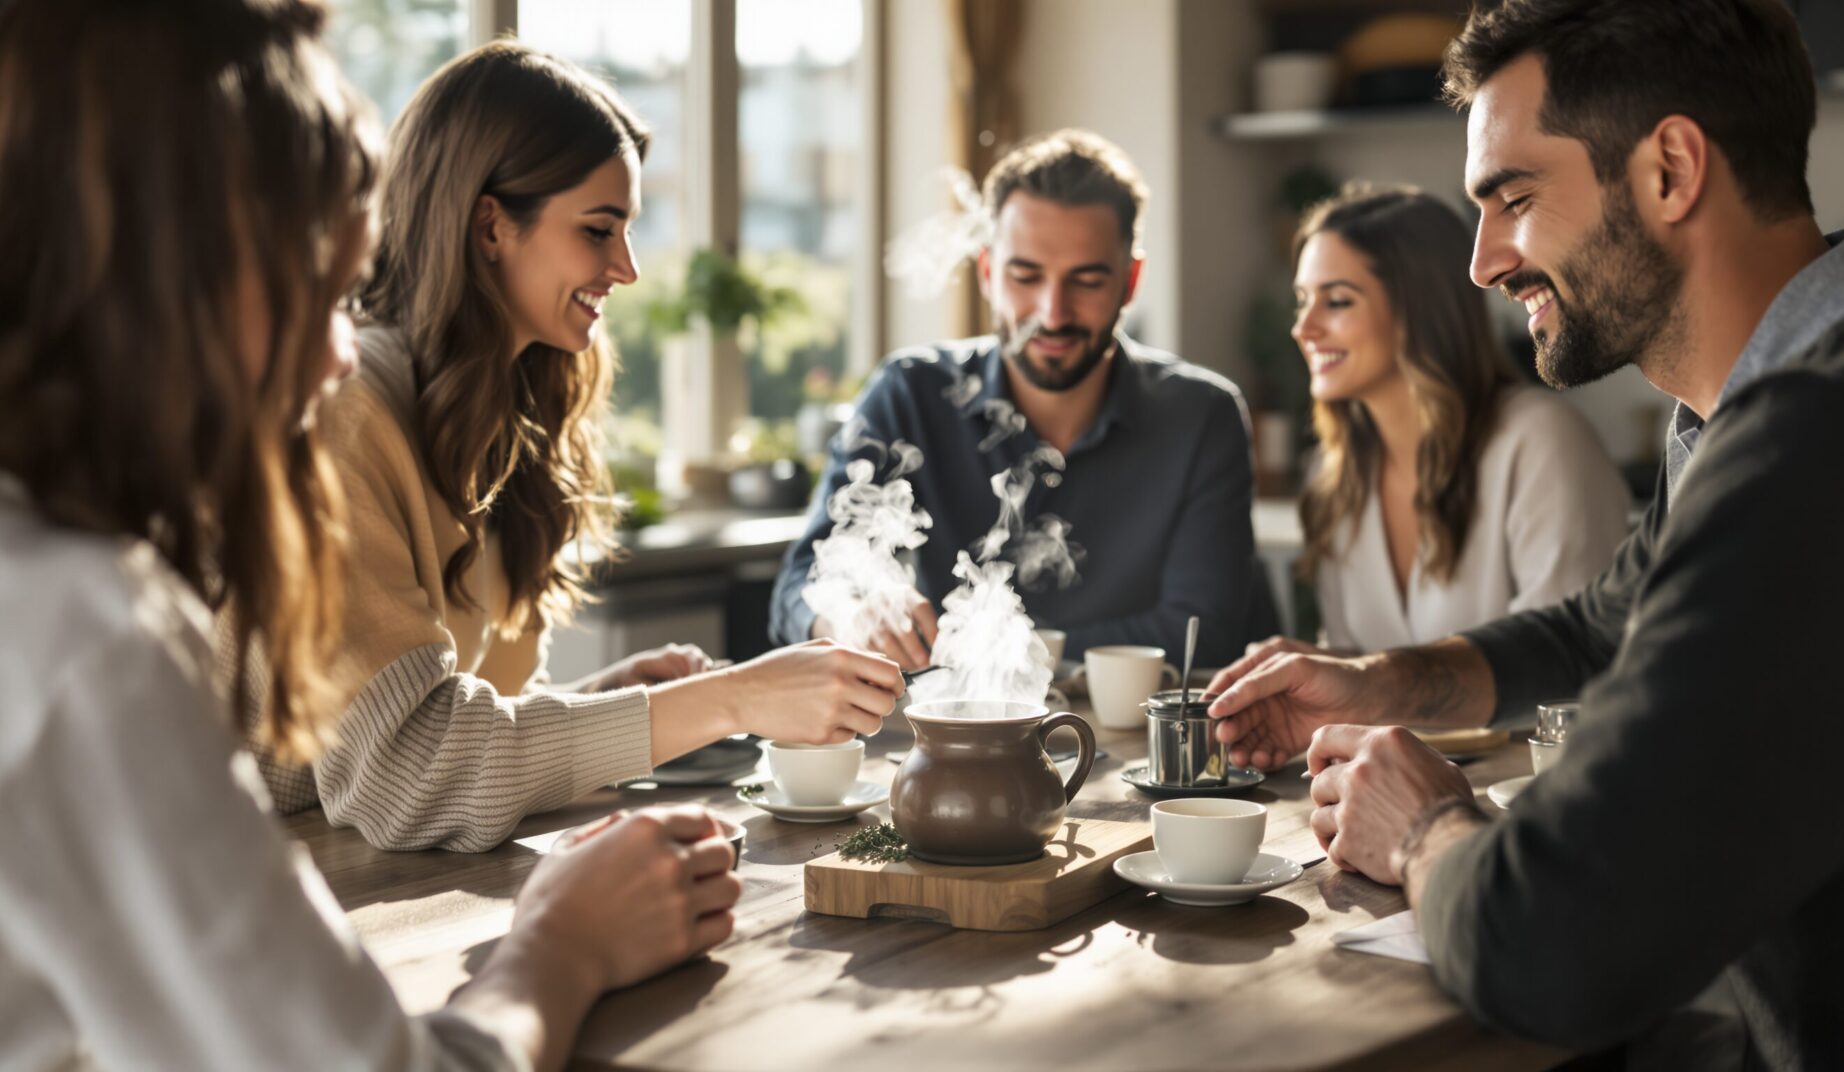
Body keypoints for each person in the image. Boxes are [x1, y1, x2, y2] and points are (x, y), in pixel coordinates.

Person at [0, 2, 740, 1068]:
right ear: (183, 268)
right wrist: (558, 944)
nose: (343, 356)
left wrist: (596, 712)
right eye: (320, 287)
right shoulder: (82, 637)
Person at [1206, 0, 1844, 1064]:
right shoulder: (1758, 410)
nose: (1484, 263)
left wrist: (1422, 828)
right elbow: (1597, 629)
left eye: (1515, 199)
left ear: (1671, 170)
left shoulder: (1834, 436)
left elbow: (1552, 942)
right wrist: (1377, 680)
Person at [244, 42, 904, 853]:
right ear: (491, 225)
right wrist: (734, 700)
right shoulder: (346, 412)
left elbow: (445, 727)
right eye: (599, 229)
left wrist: (606, 702)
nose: (624, 268)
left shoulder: (501, 414)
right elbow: (408, 774)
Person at [770, 129, 1267, 671]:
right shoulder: (910, 394)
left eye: (1087, 280)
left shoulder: (1200, 416)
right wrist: (843, 615)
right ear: (987, 273)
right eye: (1026, 276)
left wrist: (982, 651)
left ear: (1131, 280)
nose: (1052, 313)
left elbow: (1202, 631)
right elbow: (798, 591)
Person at [1285, 182, 1626, 653]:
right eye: (1303, 300)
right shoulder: (1332, 477)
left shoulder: (1539, 444)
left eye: (1338, 300)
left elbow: (1573, 662)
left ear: (1420, 310)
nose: (1304, 328)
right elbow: (1359, 669)